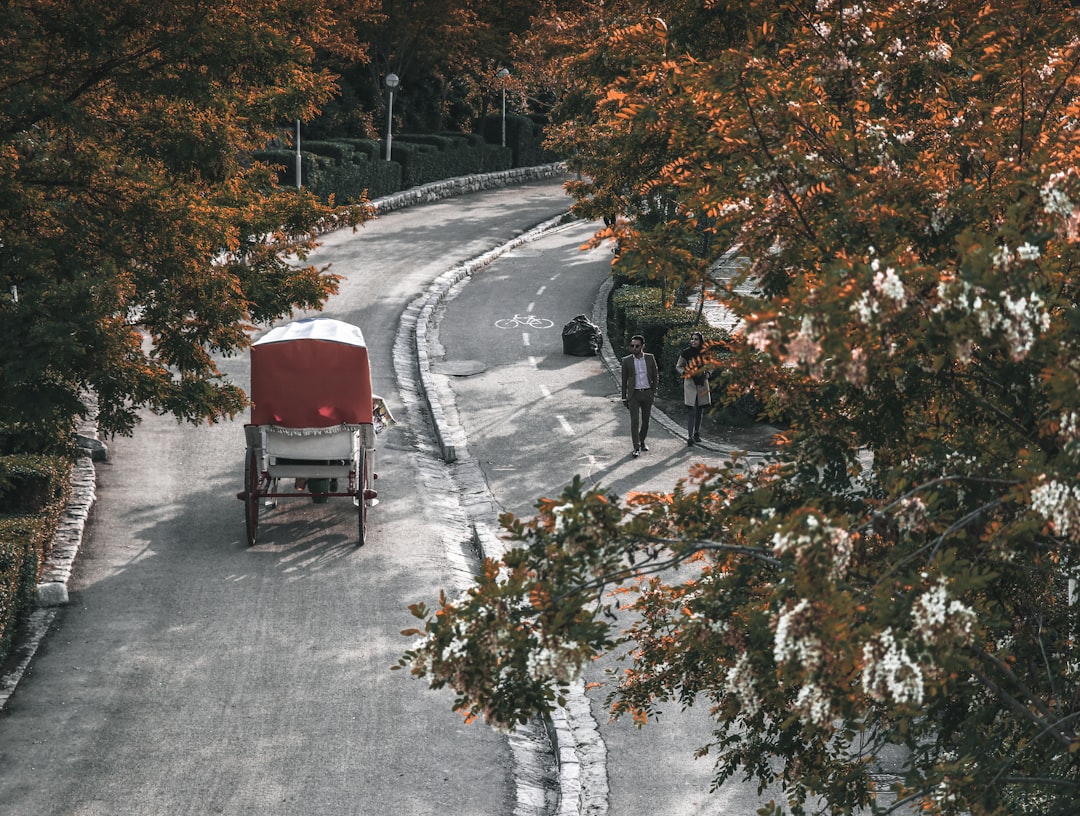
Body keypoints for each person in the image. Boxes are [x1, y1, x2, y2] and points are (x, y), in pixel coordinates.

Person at [620, 334, 658, 457]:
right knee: (635, 421)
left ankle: (642, 441)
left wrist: (654, 391)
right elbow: (624, 380)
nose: (634, 348)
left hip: (647, 392)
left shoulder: (650, 358)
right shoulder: (626, 361)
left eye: (637, 346)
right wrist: (624, 397)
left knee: (646, 421)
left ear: (642, 346)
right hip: (634, 394)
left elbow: (655, 375)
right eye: (632, 346)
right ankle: (636, 447)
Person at [676, 331, 712, 446]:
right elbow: (678, 366)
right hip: (690, 382)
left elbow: (711, 365)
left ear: (700, 341)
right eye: (692, 339)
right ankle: (690, 436)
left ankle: (697, 432)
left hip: (702, 382)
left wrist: (708, 374)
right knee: (691, 409)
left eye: (696, 339)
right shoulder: (686, 353)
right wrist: (685, 372)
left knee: (700, 408)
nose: (693, 341)